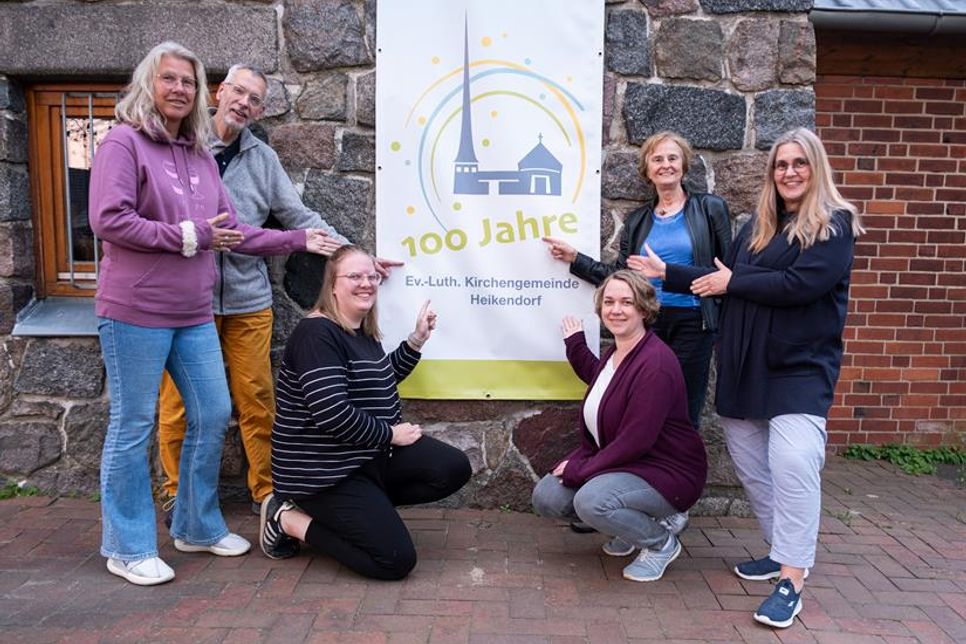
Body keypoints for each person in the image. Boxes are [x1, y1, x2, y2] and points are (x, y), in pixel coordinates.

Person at [89, 41, 335, 586]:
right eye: (169, 79)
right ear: (147, 83)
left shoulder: (197, 155)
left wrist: (299, 238)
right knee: (132, 426)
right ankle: (126, 546)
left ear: (200, 92)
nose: (179, 89)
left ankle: (195, 526)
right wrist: (188, 236)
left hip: (192, 312)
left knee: (211, 412)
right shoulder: (123, 145)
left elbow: (232, 230)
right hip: (135, 311)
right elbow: (108, 219)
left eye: (188, 81)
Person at [639, 128, 864, 627]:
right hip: (744, 364)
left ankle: (792, 579)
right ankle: (779, 548)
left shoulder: (834, 225)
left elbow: (799, 284)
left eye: (799, 163)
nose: (789, 172)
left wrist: (734, 281)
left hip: (799, 368)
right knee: (753, 466)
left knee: (793, 462)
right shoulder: (759, 226)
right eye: (781, 164)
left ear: (815, 168)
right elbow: (720, 275)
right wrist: (669, 274)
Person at [156, 63, 399, 518]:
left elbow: (299, 217)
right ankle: (175, 490)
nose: (244, 104)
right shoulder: (181, 148)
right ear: (220, 91)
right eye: (239, 93)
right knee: (177, 403)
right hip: (190, 302)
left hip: (249, 301)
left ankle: (266, 491)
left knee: (257, 401)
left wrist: (355, 257)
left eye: (255, 100)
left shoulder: (262, 159)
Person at [258, 245, 472, 579]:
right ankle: (286, 518)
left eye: (371, 276)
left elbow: (377, 380)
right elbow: (332, 413)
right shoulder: (317, 334)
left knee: (451, 467)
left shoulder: (358, 331)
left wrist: (415, 341)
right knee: (395, 560)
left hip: (362, 457)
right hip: (324, 472)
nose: (366, 283)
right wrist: (389, 433)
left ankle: (365, 511)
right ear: (332, 285)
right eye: (354, 276)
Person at [543, 131, 732, 430]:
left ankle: (680, 473)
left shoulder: (710, 209)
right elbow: (620, 276)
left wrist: (665, 272)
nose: (666, 164)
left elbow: (726, 274)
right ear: (647, 169)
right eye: (657, 159)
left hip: (694, 321)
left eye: (673, 157)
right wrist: (575, 259)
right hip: (648, 320)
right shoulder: (637, 221)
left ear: (684, 165)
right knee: (645, 404)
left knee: (682, 408)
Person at [530, 270, 708, 583]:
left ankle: (660, 542)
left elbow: (636, 442)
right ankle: (630, 528)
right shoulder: (617, 353)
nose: (616, 309)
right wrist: (575, 344)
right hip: (628, 465)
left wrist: (580, 469)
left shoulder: (655, 364)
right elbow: (602, 382)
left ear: (643, 309)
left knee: (591, 501)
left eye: (627, 302)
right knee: (548, 497)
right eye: (609, 302)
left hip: (667, 471)